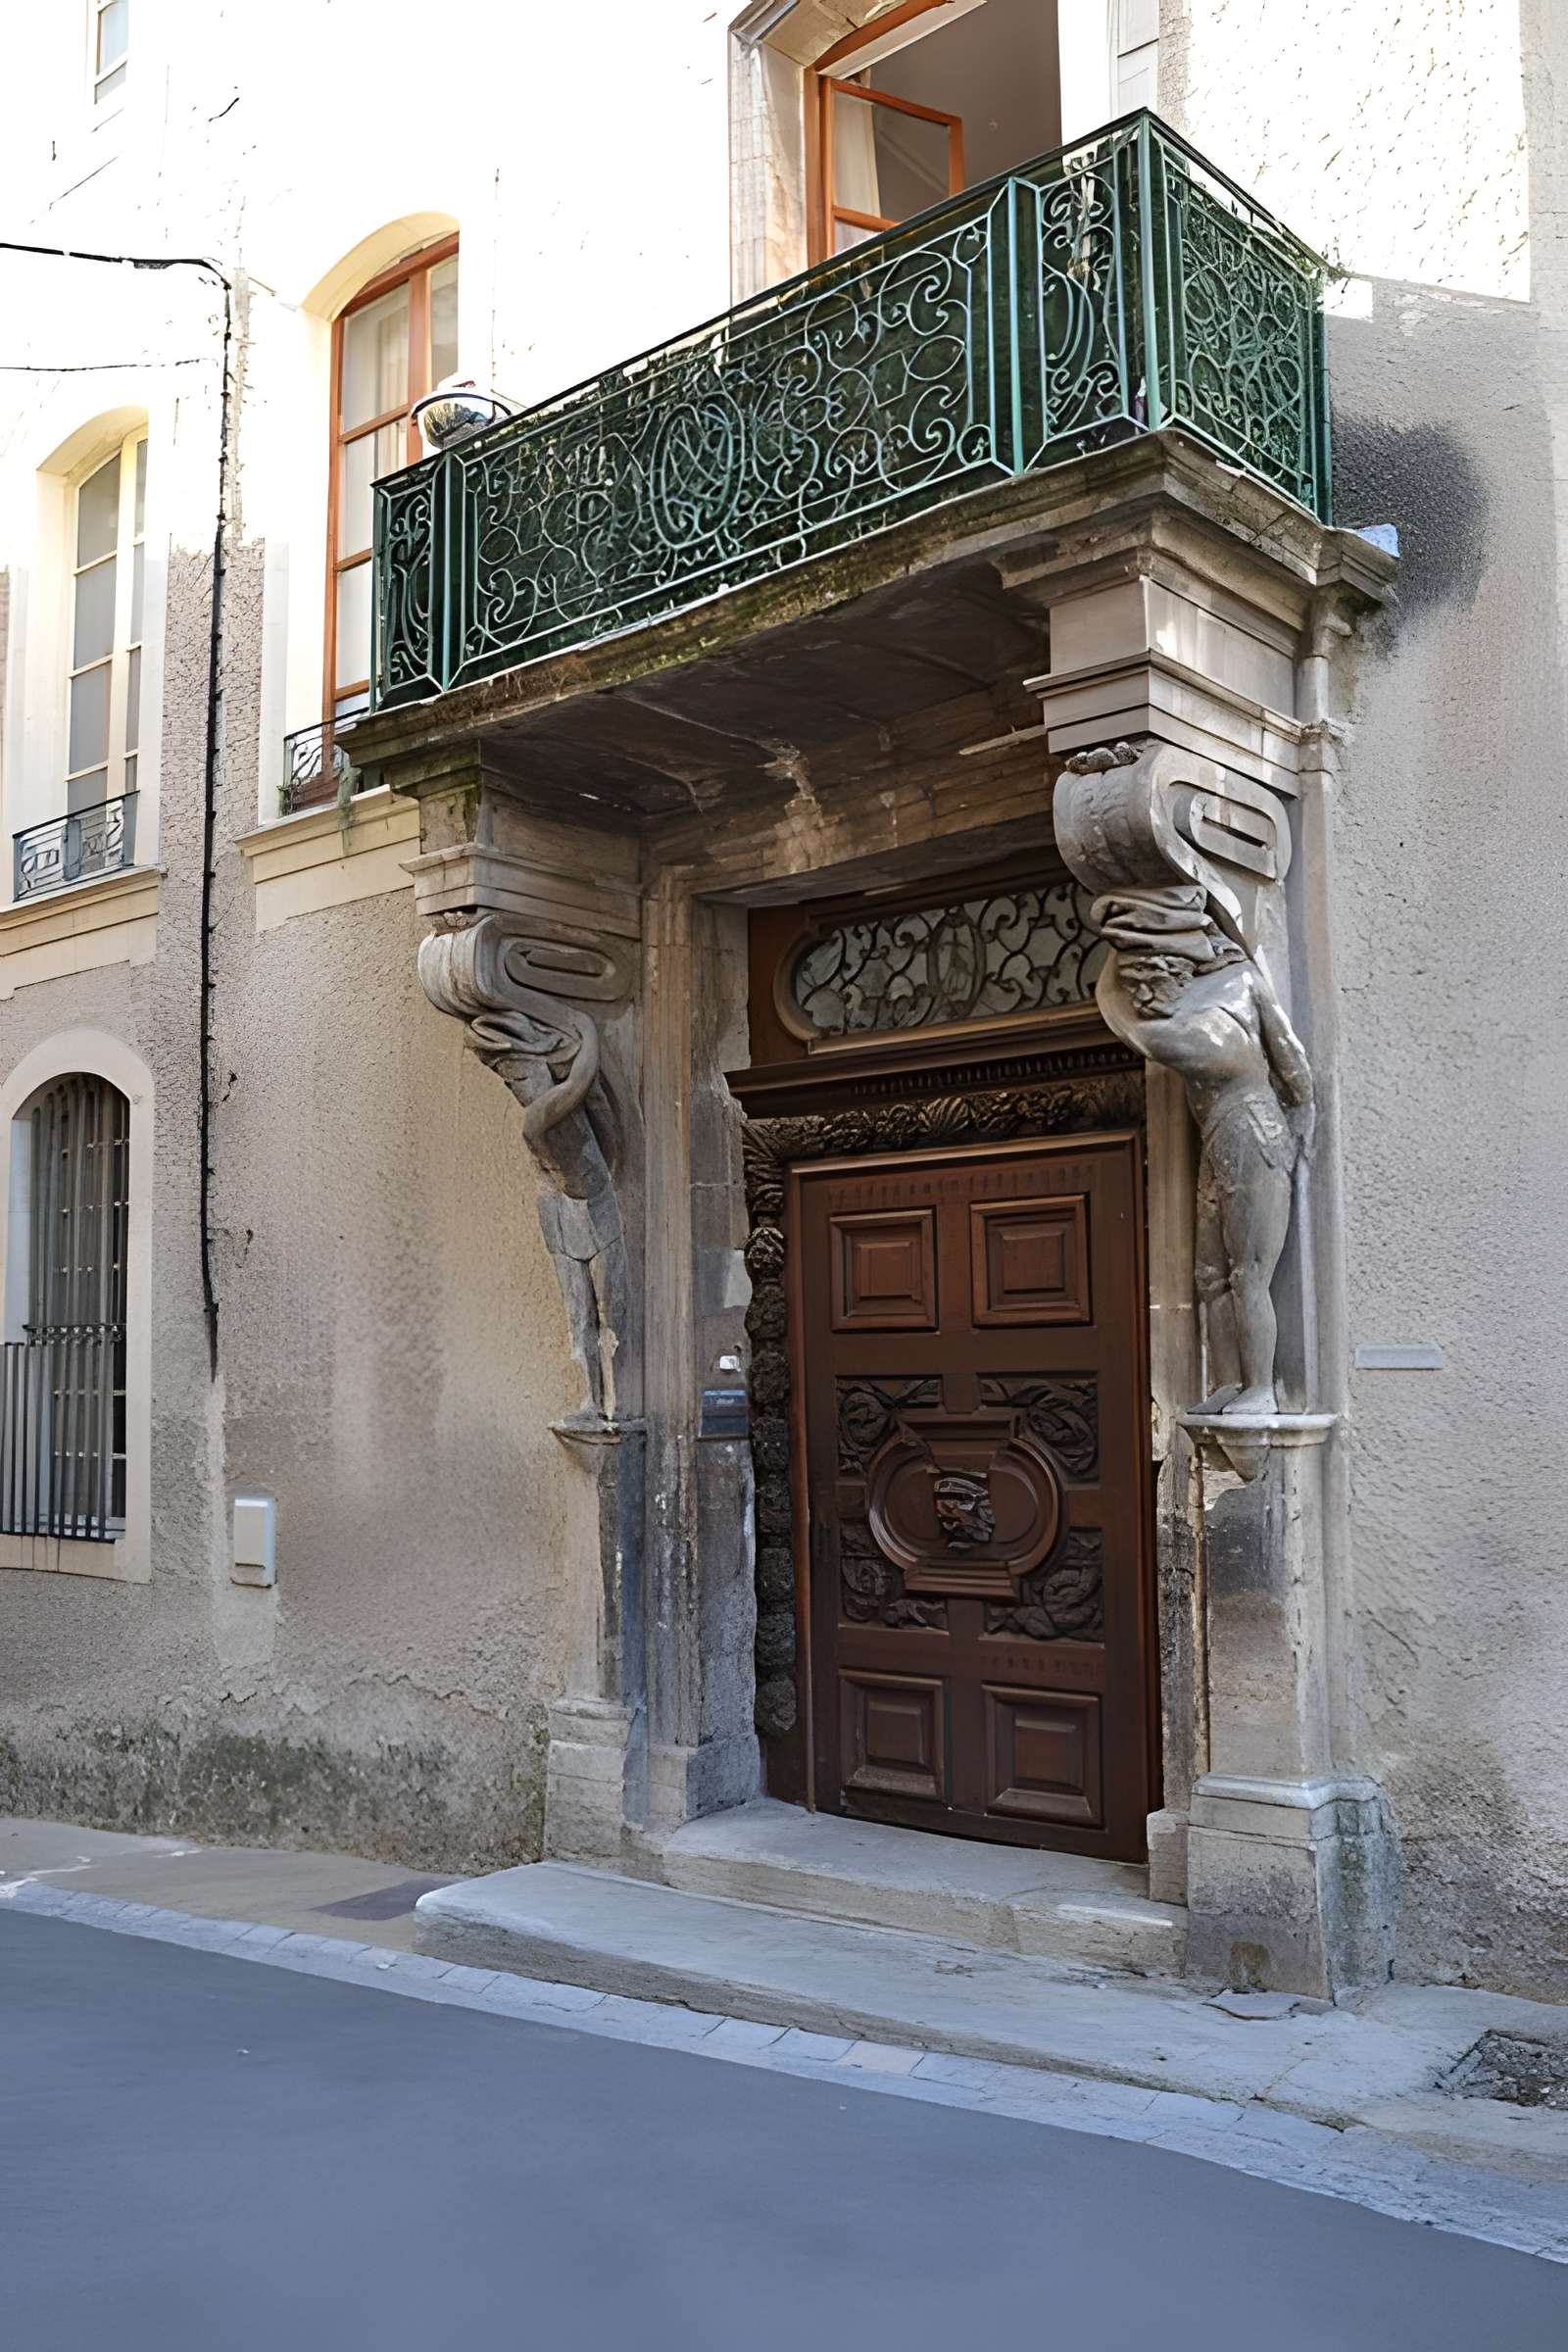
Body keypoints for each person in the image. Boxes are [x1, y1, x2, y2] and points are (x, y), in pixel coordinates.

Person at [1093, 886, 1315, 1416]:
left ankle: (1261, 1389)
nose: (1140, 995)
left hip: (1251, 1134)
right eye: (1132, 982)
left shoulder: (1188, 1030)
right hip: (1222, 1135)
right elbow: (1291, 1062)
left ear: (1174, 971)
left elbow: (1291, 1060)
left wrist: (1302, 1120)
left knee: (1248, 1271)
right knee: (1210, 1276)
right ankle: (1231, 1381)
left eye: (1146, 981)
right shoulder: (1235, 984)